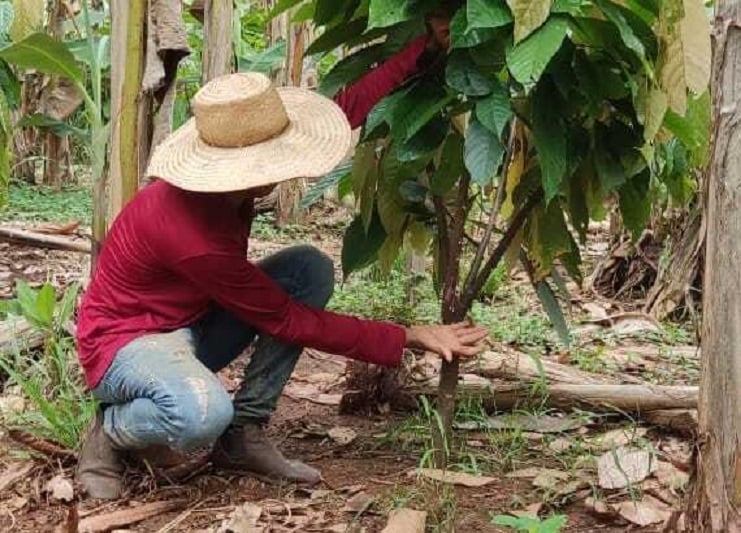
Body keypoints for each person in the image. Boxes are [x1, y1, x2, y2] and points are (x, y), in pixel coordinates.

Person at [75, 69, 485, 499]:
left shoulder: (228, 192)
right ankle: (111, 429)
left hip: (192, 322)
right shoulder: (191, 235)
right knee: (200, 416)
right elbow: (288, 320)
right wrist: (409, 336)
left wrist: (422, 45)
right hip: (125, 346)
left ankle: (243, 434)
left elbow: (340, 111)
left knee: (307, 269)